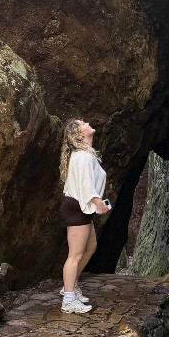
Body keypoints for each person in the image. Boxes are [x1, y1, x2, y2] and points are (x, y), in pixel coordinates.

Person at [58, 118, 111, 314]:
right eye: (83, 124)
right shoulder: (83, 156)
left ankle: (71, 286)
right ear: (79, 135)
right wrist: (98, 203)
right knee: (75, 255)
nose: (87, 123)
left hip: (78, 207)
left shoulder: (84, 154)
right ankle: (68, 300)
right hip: (76, 207)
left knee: (90, 247)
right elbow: (86, 185)